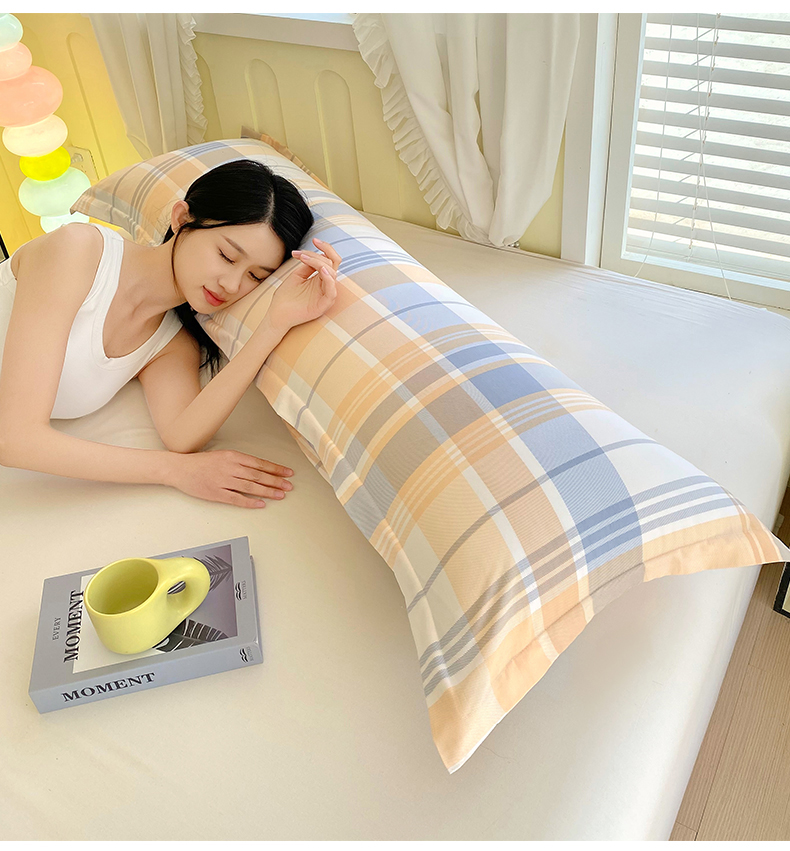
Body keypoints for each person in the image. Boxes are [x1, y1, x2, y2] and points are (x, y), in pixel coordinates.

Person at [0, 159, 340, 508]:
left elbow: (182, 436)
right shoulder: (76, 250)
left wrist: (275, 324)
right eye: (226, 256)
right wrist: (173, 471)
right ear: (181, 219)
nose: (232, 284)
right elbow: (15, 438)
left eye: (256, 277)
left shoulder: (172, 343)